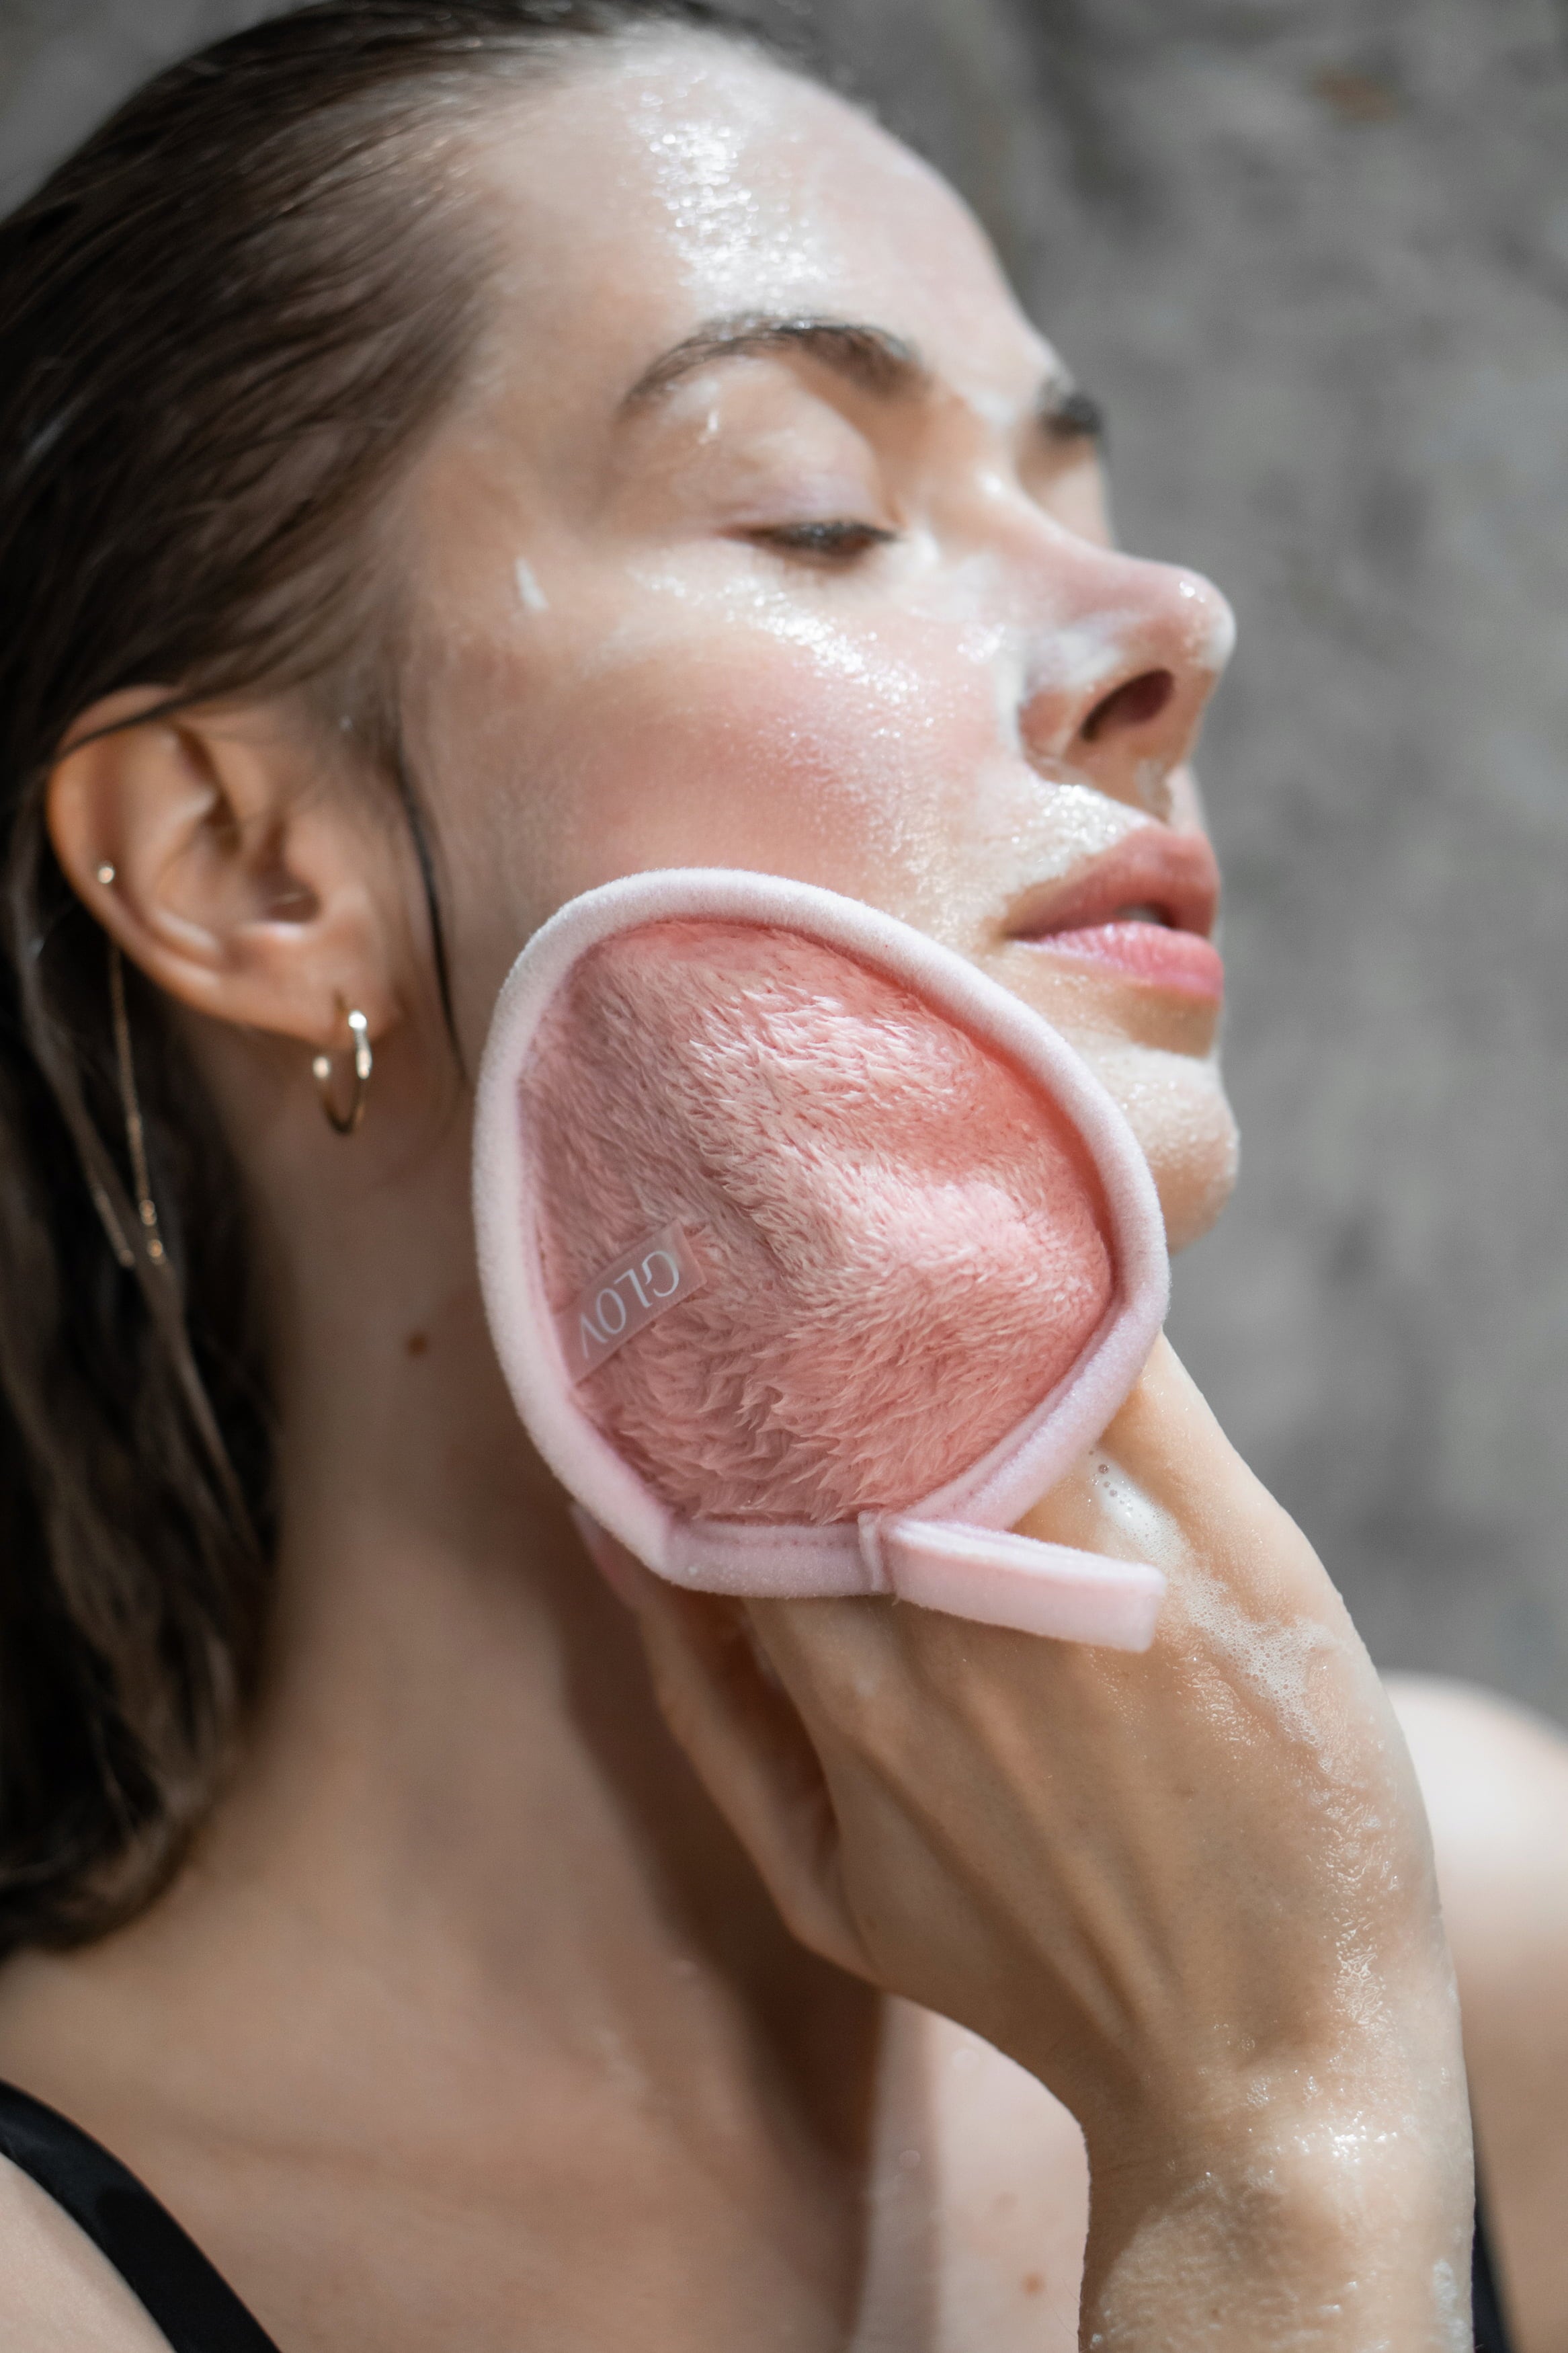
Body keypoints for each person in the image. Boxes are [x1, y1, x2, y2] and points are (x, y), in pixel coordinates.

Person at [0, 3, 1561, 2346]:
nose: (1177, 625)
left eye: (1082, 503)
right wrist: (1274, 2156)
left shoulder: (1487, 1937)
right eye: (819, 511)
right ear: (248, 861)